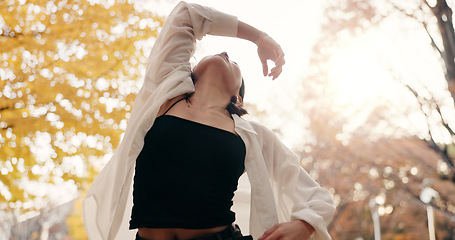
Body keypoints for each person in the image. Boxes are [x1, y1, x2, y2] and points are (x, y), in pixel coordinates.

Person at [83, 1, 336, 240]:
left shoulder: (253, 135)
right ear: (190, 73)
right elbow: (186, 14)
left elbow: (316, 196)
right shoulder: (165, 96)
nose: (225, 52)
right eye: (219, 53)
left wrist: (305, 224)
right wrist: (259, 37)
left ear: (238, 96)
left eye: (234, 62)